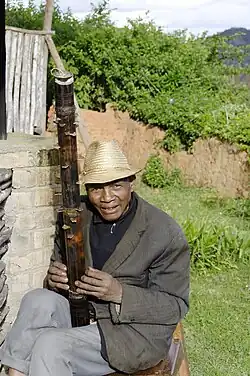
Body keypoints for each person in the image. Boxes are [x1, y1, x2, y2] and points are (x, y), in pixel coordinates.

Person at [0, 140, 190, 376]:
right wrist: (55, 279)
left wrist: (119, 293)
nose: (106, 197)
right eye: (96, 188)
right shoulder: (76, 215)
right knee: (37, 300)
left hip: (130, 334)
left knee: (51, 345)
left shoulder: (163, 231)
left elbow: (175, 307)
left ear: (131, 183)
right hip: (80, 317)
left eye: (116, 186)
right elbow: (57, 268)